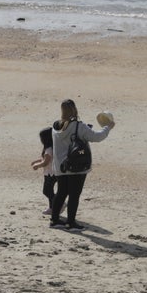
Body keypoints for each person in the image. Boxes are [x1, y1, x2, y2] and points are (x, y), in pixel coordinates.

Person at [49, 98, 113, 230]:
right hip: (76, 166)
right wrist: (108, 127)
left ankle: (54, 220)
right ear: (75, 109)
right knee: (74, 195)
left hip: (60, 166)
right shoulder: (78, 126)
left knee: (61, 193)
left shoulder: (55, 126)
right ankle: (71, 223)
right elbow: (97, 137)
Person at [31, 126, 56, 215]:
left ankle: (59, 203)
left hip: (51, 173)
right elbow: (46, 159)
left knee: (46, 191)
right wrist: (37, 161)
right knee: (50, 191)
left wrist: (37, 165)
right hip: (50, 172)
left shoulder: (49, 149)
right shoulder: (50, 148)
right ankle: (52, 208)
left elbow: (46, 162)